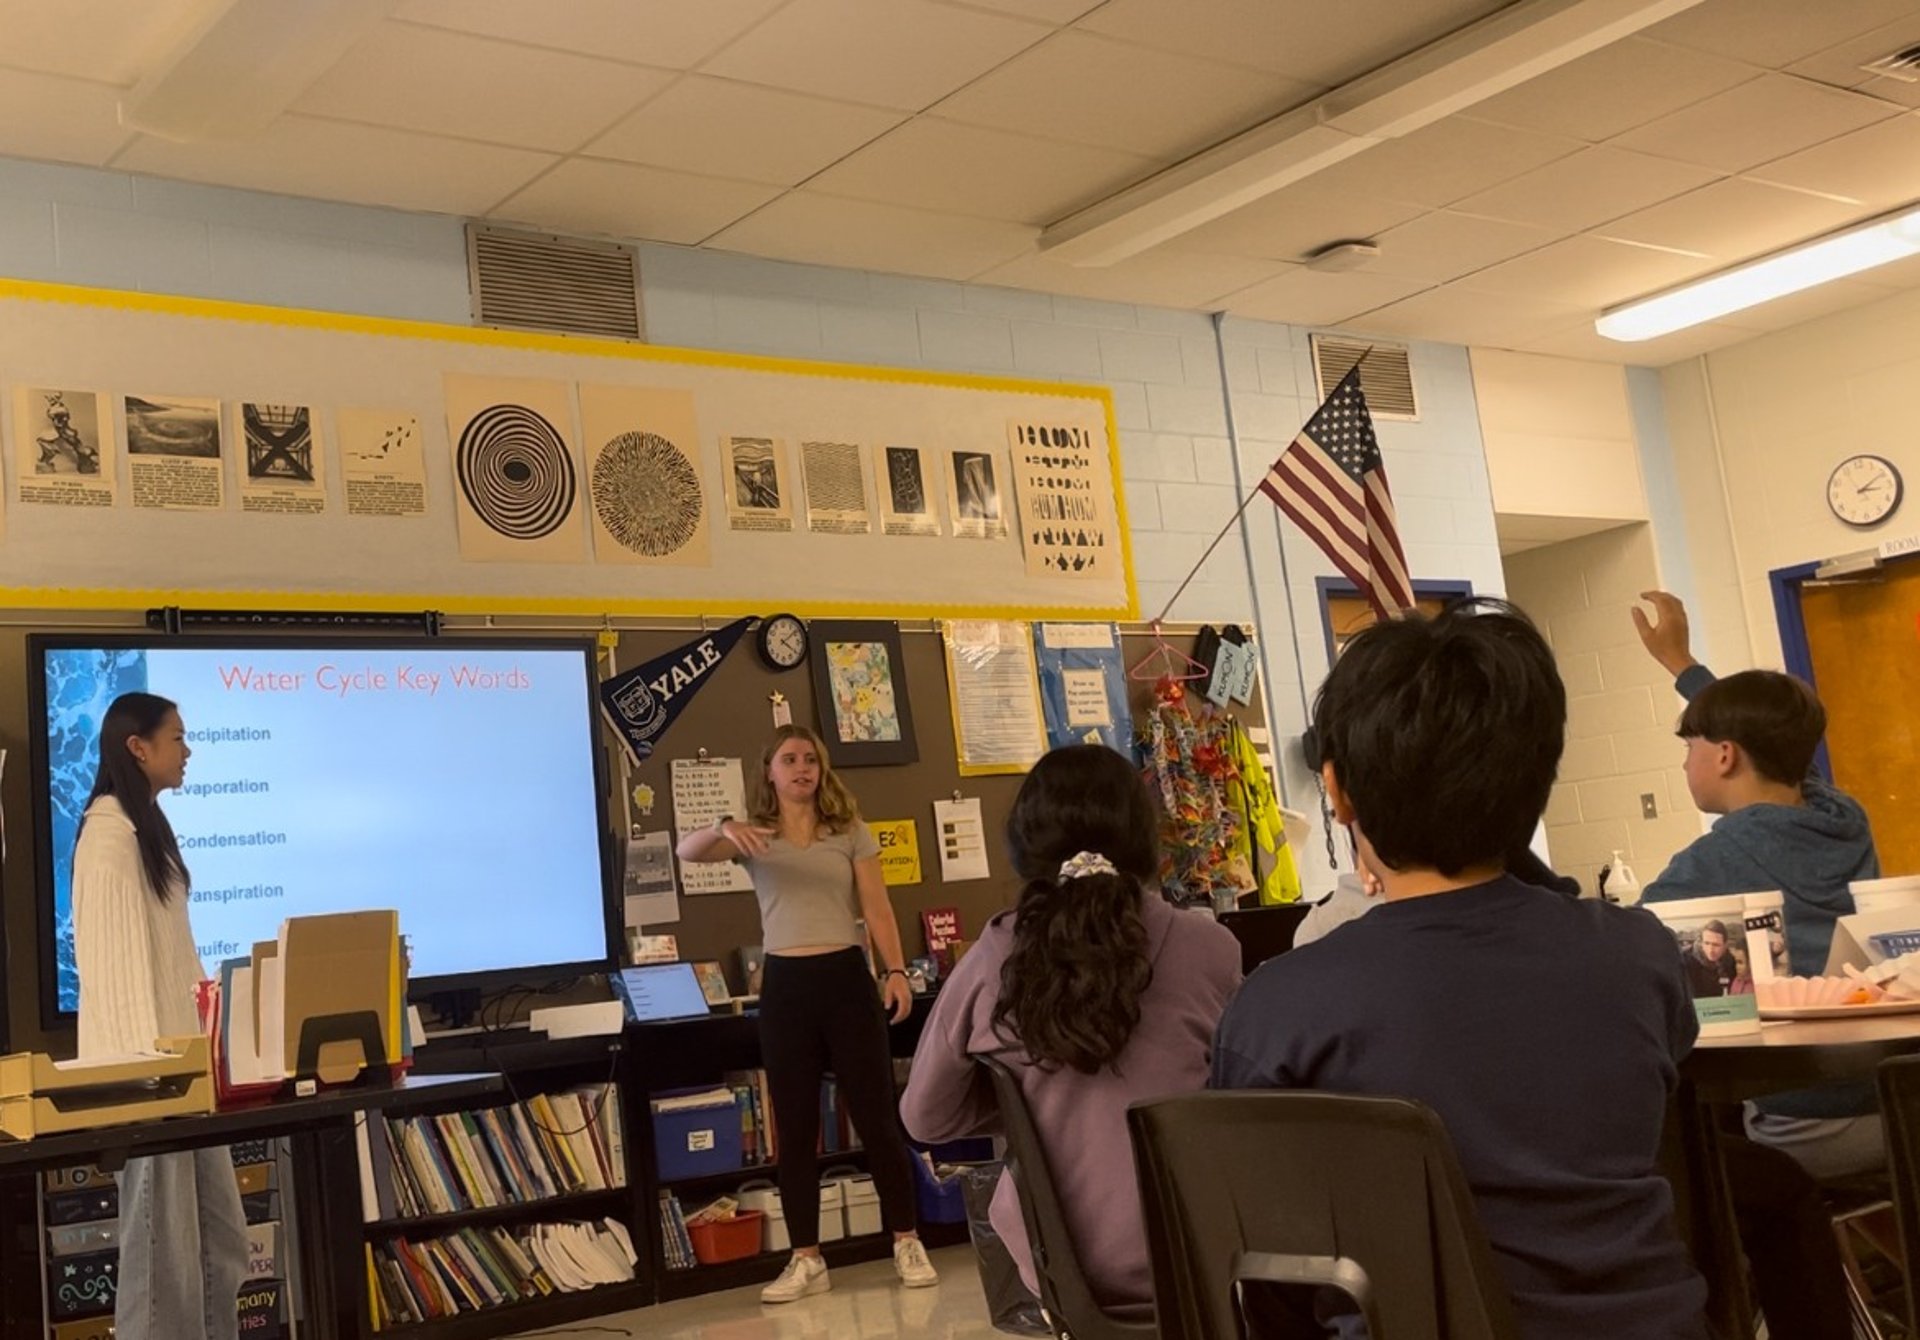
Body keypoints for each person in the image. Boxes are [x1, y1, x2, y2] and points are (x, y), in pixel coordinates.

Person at [1212, 600, 1709, 1339]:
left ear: (1338, 791)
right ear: (1541, 774)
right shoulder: (1641, 955)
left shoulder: (1280, 1006)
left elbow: (1262, 1260)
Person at [898, 744, 1241, 1310]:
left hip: (1060, 1267)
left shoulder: (992, 957)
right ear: (1143, 836)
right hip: (1200, 1260)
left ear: (1022, 844)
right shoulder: (1211, 949)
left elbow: (925, 1117)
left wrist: (1027, 1091)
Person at [675, 725, 936, 1302]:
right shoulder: (754, 837)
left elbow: (878, 908)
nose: (802, 769)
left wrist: (895, 971)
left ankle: (906, 1239)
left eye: (811, 760)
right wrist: (724, 826)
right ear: (769, 770)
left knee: (876, 1118)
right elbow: (685, 851)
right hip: (786, 987)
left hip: (846, 978)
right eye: (789, 760)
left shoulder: (849, 832)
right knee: (795, 1130)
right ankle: (806, 1257)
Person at [1632, 590, 1882, 1179]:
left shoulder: (1710, 861)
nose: (1684, 763)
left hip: (1803, 1119)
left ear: (1723, 756)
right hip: (1895, 1098)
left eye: (1689, 747)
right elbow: (1785, 752)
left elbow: (1622, 946)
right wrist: (1682, 664)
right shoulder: (1845, 819)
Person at [73, 692, 248, 1340]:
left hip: (187, 1075)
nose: (188, 750)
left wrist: (208, 1059)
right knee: (159, 1262)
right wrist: (147, 1090)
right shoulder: (109, 837)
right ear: (136, 747)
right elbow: (117, 981)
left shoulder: (148, 829)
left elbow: (179, 964)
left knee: (220, 1247)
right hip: (151, 1085)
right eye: (177, 737)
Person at [1682, 920, 1736, 998]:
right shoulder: (1685, 960)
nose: (1710, 950)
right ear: (1701, 942)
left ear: (1725, 945)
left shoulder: (1730, 962)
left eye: (1716, 945)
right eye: (1706, 943)